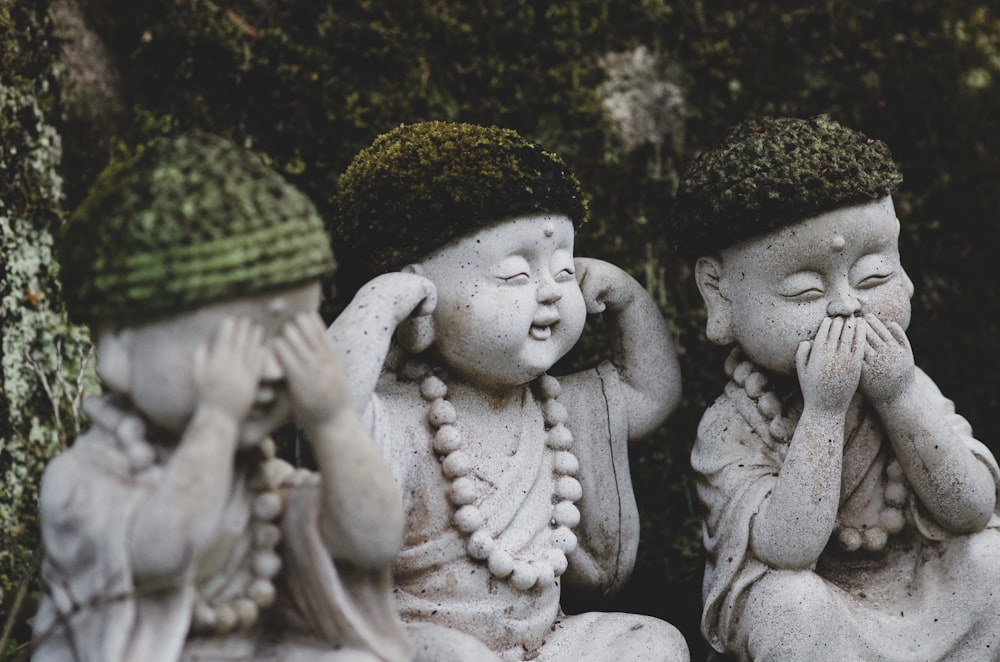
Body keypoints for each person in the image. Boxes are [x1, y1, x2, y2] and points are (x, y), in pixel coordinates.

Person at [32, 132, 412, 662]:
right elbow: (160, 554)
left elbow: (373, 542)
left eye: (294, 336)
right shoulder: (81, 482)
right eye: (234, 341)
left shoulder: (259, 481)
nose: (273, 367)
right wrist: (215, 419)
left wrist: (330, 419)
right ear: (118, 344)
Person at [328, 121, 689, 661]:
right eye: (517, 275)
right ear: (420, 304)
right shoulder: (399, 418)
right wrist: (380, 305)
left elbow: (647, 395)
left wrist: (628, 300)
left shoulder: (557, 409)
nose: (550, 293)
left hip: (543, 639)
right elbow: (327, 414)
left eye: (564, 270)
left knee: (654, 643)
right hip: (420, 642)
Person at [670, 114, 1000, 661]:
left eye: (874, 276)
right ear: (720, 295)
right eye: (803, 290)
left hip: (919, 583)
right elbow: (788, 548)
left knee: (990, 558)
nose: (848, 305)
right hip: (822, 609)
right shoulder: (735, 423)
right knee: (785, 606)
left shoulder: (903, 383)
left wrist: (898, 396)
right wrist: (823, 410)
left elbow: (969, 507)